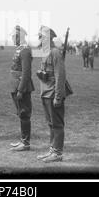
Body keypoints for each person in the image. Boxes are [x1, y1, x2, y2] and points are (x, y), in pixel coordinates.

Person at [36, 25, 72, 163]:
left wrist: (58, 96)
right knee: (51, 124)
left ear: (48, 38)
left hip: (53, 93)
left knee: (57, 124)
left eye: (41, 36)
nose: (39, 38)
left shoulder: (55, 53)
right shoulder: (45, 52)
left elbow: (60, 76)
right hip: (45, 93)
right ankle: (52, 149)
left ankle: (57, 153)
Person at [8, 25, 34, 152]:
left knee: (24, 113)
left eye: (13, 37)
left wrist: (21, 89)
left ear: (19, 37)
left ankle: (26, 143)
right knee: (21, 113)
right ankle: (23, 140)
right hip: (16, 85)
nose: (12, 39)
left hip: (21, 87)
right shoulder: (20, 49)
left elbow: (26, 72)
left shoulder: (25, 50)